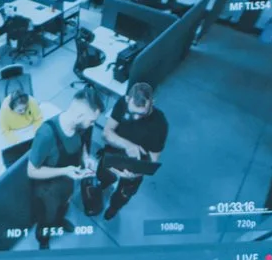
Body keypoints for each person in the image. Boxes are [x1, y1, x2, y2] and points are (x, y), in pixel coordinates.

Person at [26, 90, 102, 248]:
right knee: (46, 218)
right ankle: (44, 240)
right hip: (47, 189)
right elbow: (31, 171)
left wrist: (86, 158)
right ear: (80, 116)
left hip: (67, 182)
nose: (93, 124)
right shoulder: (46, 134)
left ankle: (59, 221)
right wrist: (64, 171)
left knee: (63, 207)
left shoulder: (81, 127)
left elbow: (82, 146)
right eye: (92, 121)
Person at [86, 81, 168, 224]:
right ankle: (104, 184)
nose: (136, 117)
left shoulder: (160, 124)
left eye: (142, 114)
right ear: (127, 99)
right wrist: (128, 145)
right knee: (103, 176)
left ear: (152, 103)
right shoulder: (122, 103)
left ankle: (113, 208)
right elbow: (106, 133)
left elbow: (153, 159)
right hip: (112, 155)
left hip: (136, 165)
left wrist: (135, 174)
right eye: (133, 112)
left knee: (124, 195)